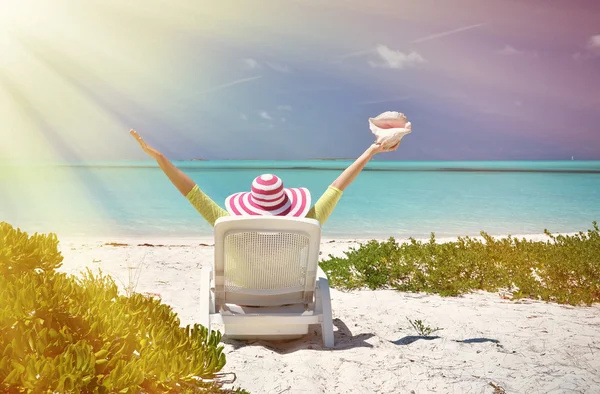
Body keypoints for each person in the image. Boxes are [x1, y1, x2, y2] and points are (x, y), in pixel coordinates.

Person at [129, 129, 400, 228]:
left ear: (250, 202)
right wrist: (373, 149)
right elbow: (338, 186)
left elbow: (191, 192)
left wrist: (160, 159)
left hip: (243, 301)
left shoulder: (228, 223)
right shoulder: (309, 221)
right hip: (293, 299)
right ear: (287, 202)